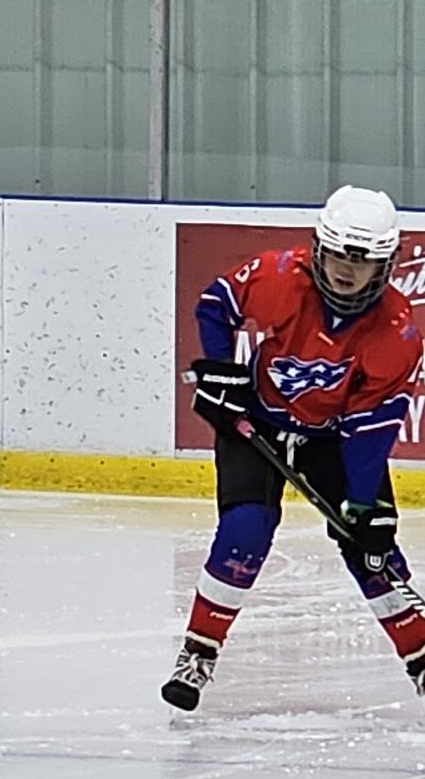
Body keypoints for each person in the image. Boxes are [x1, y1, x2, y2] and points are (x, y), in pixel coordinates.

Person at [164, 185, 425, 713]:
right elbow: (216, 305)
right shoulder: (280, 275)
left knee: (372, 550)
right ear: (318, 249)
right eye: (340, 255)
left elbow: (370, 428)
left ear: (384, 265)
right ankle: (198, 652)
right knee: (244, 533)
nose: (347, 269)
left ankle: (421, 660)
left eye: (363, 260)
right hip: (255, 423)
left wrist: (365, 504)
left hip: (332, 439)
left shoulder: (398, 332)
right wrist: (223, 373)